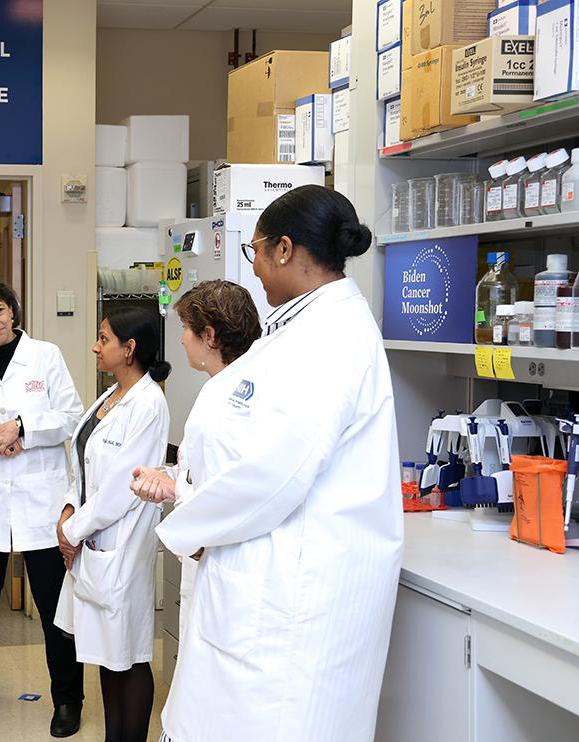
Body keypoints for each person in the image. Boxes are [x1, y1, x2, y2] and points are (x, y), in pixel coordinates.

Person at [135, 185, 404, 742]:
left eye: (253, 250)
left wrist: (187, 523)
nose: (252, 267)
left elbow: (274, 474)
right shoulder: (296, 328)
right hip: (258, 582)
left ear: (284, 249)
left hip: (292, 608)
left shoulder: (334, 338)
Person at [0, 272, 86, 738]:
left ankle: (67, 698)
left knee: (52, 605)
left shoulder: (45, 356)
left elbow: (69, 417)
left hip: (40, 499)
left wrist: (22, 427)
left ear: (12, 309)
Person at [53, 307, 171, 742]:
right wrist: (68, 511)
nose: (95, 346)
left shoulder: (148, 403)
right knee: (106, 651)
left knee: (130, 653)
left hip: (120, 543)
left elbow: (123, 487)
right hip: (91, 536)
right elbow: (82, 464)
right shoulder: (111, 396)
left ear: (130, 348)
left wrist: (73, 530)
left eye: (103, 339)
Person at [129, 280, 261, 642]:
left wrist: (173, 488)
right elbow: (204, 473)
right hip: (208, 561)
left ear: (210, 336)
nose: (182, 338)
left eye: (187, 328)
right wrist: (168, 477)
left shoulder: (233, 401)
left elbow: (231, 492)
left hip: (223, 569)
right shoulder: (221, 388)